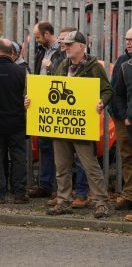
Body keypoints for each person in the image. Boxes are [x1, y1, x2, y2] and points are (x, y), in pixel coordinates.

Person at [46, 30, 113, 218]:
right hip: (62, 125)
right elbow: (51, 88)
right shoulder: (62, 65)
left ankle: (101, 203)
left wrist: (102, 101)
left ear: (81, 46)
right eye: (65, 44)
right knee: (62, 166)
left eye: (69, 44)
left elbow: (107, 89)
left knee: (90, 165)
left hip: (81, 125)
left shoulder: (94, 67)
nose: (65, 47)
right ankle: (63, 201)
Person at [46, 26, 89, 209]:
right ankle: (64, 195)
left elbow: (100, 89)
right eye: (62, 41)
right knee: (62, 162)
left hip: (80, 118)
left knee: (82, 160)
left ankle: (81, 194)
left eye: (67, 41)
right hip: (62, 118)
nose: (63, 44)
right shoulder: (59, 59)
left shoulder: (90, 64)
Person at [0, 38, 28, 204]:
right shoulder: (20, 71)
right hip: (16, 122)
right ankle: (19, 193)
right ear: (12, 53)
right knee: (18, 156)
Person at [28, 21, 64, 199]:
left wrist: (51, 67)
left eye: (38, 37)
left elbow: (65, 76)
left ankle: (61, 187)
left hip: (58, 105)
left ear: (47, 34)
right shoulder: (42, 51)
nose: (36, 40)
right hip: (43, 104)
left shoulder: (62, 51)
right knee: (44, 145)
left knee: (60, 147)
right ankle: (45, 184)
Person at [109, 28, 132, 212]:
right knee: (127, 156)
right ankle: (130, 195)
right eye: (127, 40)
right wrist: (124, 116)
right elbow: (115, 92)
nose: (128, 43)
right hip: (124, 118)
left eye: (131, 40)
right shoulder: (122, 62)